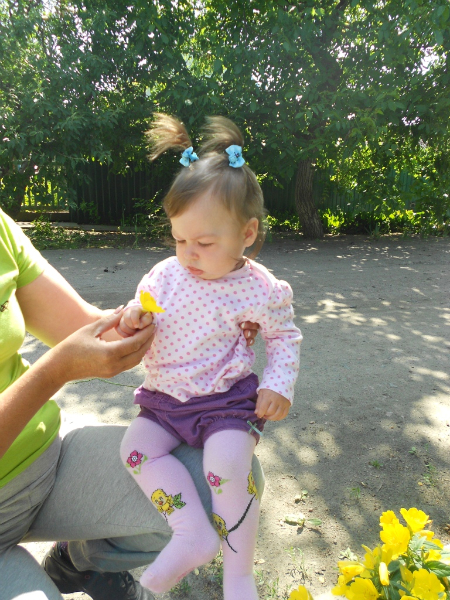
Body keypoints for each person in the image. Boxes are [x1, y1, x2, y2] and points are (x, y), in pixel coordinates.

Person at [0, 205, 262, 600]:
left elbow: (86, 328)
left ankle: (78, 560)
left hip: (44, 464)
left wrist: (176, 320)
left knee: (226, 478)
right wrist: (54, 371)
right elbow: (62, 361)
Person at [117, 115, 302, 600]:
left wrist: (277, 384)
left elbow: (284, 337)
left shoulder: (259, 288)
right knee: (134, 450)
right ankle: (191, 534)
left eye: (203, 243)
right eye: (179, 239)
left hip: (224, 403)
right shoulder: (165, 274)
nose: (188, 254)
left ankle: (239, 575)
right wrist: (134, 318)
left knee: (226, 469)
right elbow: (140, 310)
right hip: (163, 400)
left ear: (247, 233)